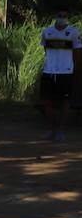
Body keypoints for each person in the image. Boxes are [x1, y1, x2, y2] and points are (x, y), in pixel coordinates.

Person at [40, 10, 79, 142]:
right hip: (49, 71)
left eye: (64, 16)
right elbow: (45, 49)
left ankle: (61, 130)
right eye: (59, 16)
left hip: (66, 73)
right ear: (55, 16)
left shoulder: (73, 32)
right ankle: (51, 128)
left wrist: (72, 67)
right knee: (46, 101)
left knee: (65, 102)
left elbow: (77, 52)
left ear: (67, 17)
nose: (62, 18)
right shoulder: (47, 32)